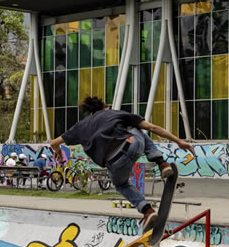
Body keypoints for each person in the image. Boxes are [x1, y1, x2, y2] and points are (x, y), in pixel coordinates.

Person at [50, 96, 194, 233]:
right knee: (136, 128)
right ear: (106, 108)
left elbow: (54, 143)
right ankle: (161, 163)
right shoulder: (115, 113)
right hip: (132, 145)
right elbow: (153, 128)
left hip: (114, 163)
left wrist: (58, 152)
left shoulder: (79, 126)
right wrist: (178, 141)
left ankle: (147, 210)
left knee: (121, 185)